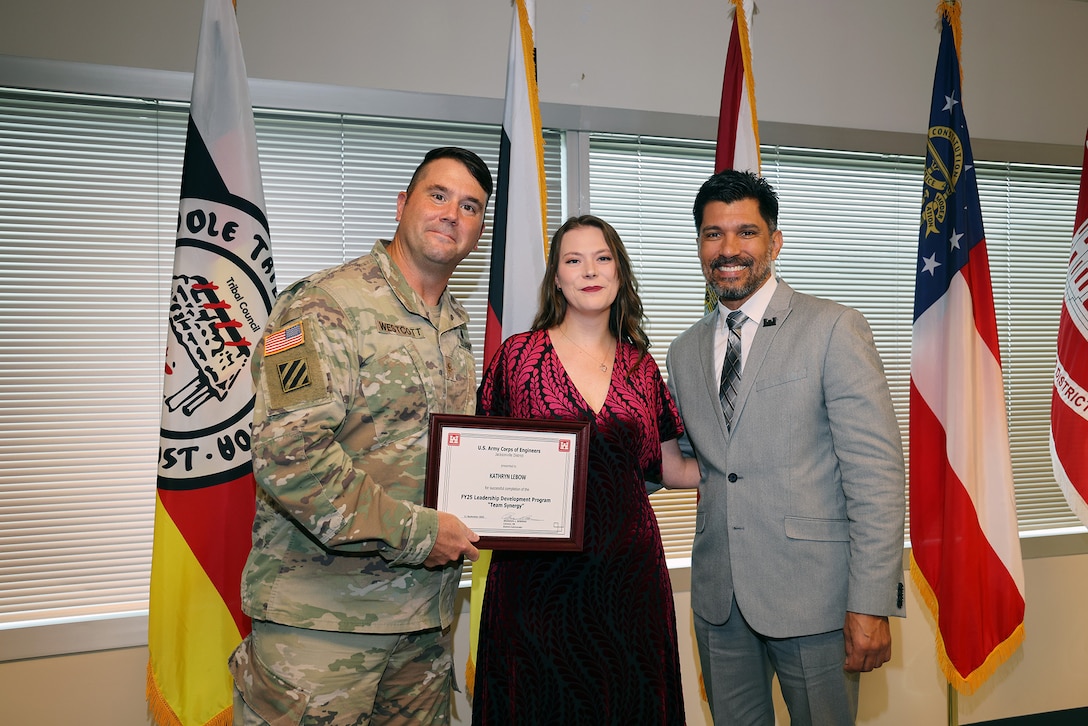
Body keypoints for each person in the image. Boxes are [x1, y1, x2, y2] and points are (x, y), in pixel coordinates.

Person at [229, 147, 492, 725]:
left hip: (422, 626)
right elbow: (291, 460)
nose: (452, 213)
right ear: (402, 205)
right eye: (438, 195)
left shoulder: (454, 328)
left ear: (478, 230)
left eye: (470, 206)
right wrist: (421, 534)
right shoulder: (320, 305)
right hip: (320, 630)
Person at [665, 170, 906, 726]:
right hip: (719, 603)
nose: (728, 250)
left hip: (817, 600)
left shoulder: (834, 329)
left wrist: (869, 603)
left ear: (774, 241)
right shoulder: (683, 350)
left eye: (745, 233)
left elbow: (876, 478)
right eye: (712, 234)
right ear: (698, 243)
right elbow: (682, 460)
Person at [471, 215, 700, 725]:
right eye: (573, 260)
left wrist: (748, 469)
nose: (589, 271)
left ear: (619, 271)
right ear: (557, 277)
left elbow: (670, 467)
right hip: (536, 583)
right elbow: (481, 464)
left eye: (602, 258)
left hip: (629, 578)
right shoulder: (518, 357)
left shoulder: (641, 365)